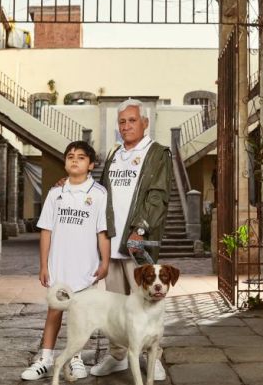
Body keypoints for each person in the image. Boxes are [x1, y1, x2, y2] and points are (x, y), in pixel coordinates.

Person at [90, 98, 173, 381]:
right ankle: (117, 356)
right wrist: (72, 183)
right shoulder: (114, 154)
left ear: (145, 123)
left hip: (137, 243)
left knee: (147, 301)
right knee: (115, 307)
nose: (126, 126)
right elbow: (101, 192)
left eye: (132, 120)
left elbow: (158, 195)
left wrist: (141, 228)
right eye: (122, 121)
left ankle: (153, 357)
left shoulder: (157, 153)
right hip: (111, 243)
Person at [20, 141, 111, 381]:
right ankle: (45, 359)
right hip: (59, 267)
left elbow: (102, 232)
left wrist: (105, 261)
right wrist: (43, 265)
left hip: (86, 268)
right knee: (54, 313)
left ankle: (76, 358)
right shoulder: (55, 193)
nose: (74, 160)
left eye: (81, 157)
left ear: (90, 165)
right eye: (70, 156)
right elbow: (46, 231)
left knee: (80, 316)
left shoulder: (99, 194)